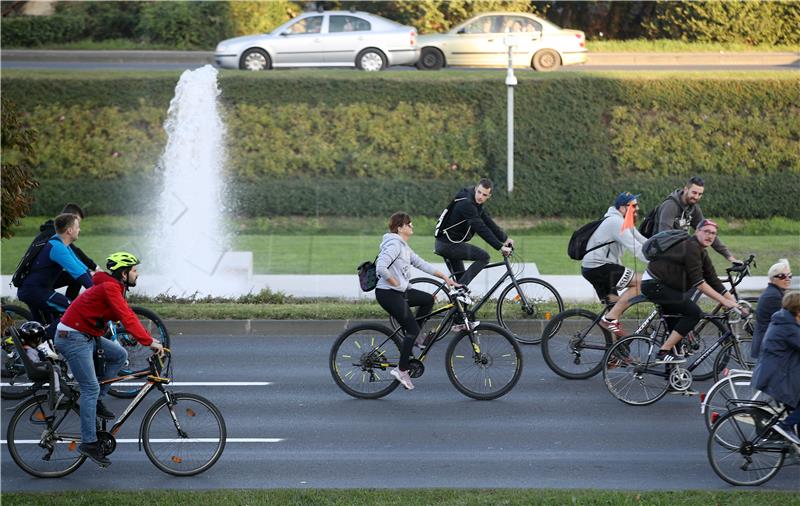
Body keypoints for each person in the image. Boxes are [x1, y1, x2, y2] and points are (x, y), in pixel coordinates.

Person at [55, 252, 164, 467]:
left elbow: (117, 315)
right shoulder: (110, 287)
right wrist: (148, 340)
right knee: (90, 388)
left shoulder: (115, 286)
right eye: (134, 270)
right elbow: (127, 316)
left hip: (85, 334)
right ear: (123, 274)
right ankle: (89, 442)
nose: (137, 274)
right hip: (72, 336)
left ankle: (95, 402)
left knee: (119, 355)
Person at [376, 212, 457, 391]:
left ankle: (414, 340)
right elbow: (381, 267)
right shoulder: (394, 245)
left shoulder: (403, 247)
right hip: (388, 293)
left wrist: (444, 276)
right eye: (409, 224)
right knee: (411, 328)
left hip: (399, 292)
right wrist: (394, 282)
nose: (412, 226)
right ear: (400, 228)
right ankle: (402, 369)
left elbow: (422, 264)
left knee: (428, 299)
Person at [641, 219, 740, 364]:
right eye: (706, 231)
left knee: (677, 338)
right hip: (655, 284)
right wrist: (723, 301)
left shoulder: (701, 251)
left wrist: (733, 301)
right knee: (694, 313)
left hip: (665, 286)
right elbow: (699, 283)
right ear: (697, 231)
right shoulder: (691, 247)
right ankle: (663, 352)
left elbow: (713, 279)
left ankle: (674, 381)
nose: (710, 236)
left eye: (713, 233)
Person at [581, 192, 648, 338]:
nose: (637, 208)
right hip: (600, 267)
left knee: (614, 310)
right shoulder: (616, 222)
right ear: (623, 208)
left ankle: (616, 356)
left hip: (591, 268)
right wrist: (657, 264)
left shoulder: (622, 221)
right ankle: (610, 319)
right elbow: (636, 248)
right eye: (633, 206)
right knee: (642, 282)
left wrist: (662, 250)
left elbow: (642, 241)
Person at [434, 178, 514, 289]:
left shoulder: (474, 201)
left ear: (489, 196)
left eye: (484, 195)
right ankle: (459, 291)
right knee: (484, 257)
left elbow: (486, 220)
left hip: (449, 243)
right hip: (448, 245)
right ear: (476, 189)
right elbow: (479, 227)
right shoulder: (467, 203)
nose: (480, 196)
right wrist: (500, 246)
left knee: (461, 281)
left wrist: (504, 238)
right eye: (479, 192)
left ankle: (458, 303)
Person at [17, 213, 93, 326]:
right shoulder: (57, 248)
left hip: (37, 290)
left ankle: (40, 340)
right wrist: (96, 291)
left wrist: (100, 281)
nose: (79, 230)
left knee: (44, 327)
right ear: (70, 230)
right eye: (77, 227)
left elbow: (81, 267)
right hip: (34, 291)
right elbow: (78, 273)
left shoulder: (60, 243)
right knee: (73, 311)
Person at [750, 291, 800, 445]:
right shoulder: (789, 327)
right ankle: (785, 426)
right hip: (777, 378)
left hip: (777, 373)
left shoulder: (784, 320)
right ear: (798, 311)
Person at [654, 176, 738, 263]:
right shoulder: (670, 206)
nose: (696, 197)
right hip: (661, 255)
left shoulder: (693, 208)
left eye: (700, 194)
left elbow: (708, 231)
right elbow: (663, 236)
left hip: (678, 253)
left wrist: (730, 257)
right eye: (694, 192)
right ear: (686, 189)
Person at [24, 203, 98, 300]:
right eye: (77, 225)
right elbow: (77, 269)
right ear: (69, 228)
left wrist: (94, 272)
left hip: (40, 282)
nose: (79, 229)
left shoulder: (58, 236)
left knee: (74, 282)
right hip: (36, 286)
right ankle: (69, 307)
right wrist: (96, 290)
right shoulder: (56, 241)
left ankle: (68, 306)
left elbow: (77, 260)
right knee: (68, 306)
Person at [752, 259, 792, 360]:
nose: (787, 279)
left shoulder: (775, 292)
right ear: (773, 279)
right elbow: (788, 322)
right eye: (782, 276)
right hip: (771, 347)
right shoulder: (773, 296)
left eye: (789, 275)